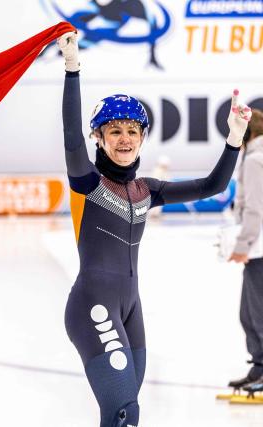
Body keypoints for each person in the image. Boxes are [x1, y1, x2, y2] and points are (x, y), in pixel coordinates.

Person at [57, 31, 251, 426]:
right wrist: (72, 68)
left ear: (143, 138)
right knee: (125, 412)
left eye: (132, 131)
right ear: (99, 138)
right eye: (114, 131)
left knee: (121, 416)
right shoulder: (88, 182)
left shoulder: (147, 190)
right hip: (92, 307)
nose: (124, 139)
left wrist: (233, 138)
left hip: (130, 309)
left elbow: (211, 186)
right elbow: (70, 140)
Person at [227, 108, 263, 392]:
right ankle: (259, 368)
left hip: (258, 248)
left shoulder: (254, 160)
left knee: (256, 314)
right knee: (249, 313)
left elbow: (254, 208)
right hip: (257, 248)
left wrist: (242, 245)